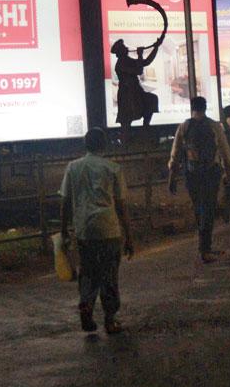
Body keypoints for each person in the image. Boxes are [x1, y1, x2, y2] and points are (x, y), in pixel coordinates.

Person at [59, 127, 134, 335]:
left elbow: (65, 201)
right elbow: (121, 205)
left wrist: (64, 229)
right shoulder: (113, 168)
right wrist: (129, 236)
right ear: (104, 145)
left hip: (84, 229)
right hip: (108, 228)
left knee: (88, 271)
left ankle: (86, 303)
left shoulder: (72, 167)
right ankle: (110, 319)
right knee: (109, 273)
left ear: (85, 144)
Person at [169, 96, 230, 262]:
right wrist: (229, 173)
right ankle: (205, 248)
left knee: (199, 209)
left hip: (192, 175)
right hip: (211, 173)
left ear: (192, 108)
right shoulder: (213, 126)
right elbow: (225, 151)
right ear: (205, 108)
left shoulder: (184, 126)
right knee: (208, 209)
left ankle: (204, 246)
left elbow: (175, 154)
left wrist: (172, 178)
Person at [111, 39, 160, 128]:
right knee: (126, 120)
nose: (126, 48)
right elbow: (138, 71)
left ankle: (146, 127)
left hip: (135, 91)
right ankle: (128, 137)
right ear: (120, 51)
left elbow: (145, 62)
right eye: (124, 47)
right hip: (127, 94)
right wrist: (140, 55)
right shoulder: (121, 63)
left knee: (151, 99)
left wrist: (156, 48)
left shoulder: (127, 60)